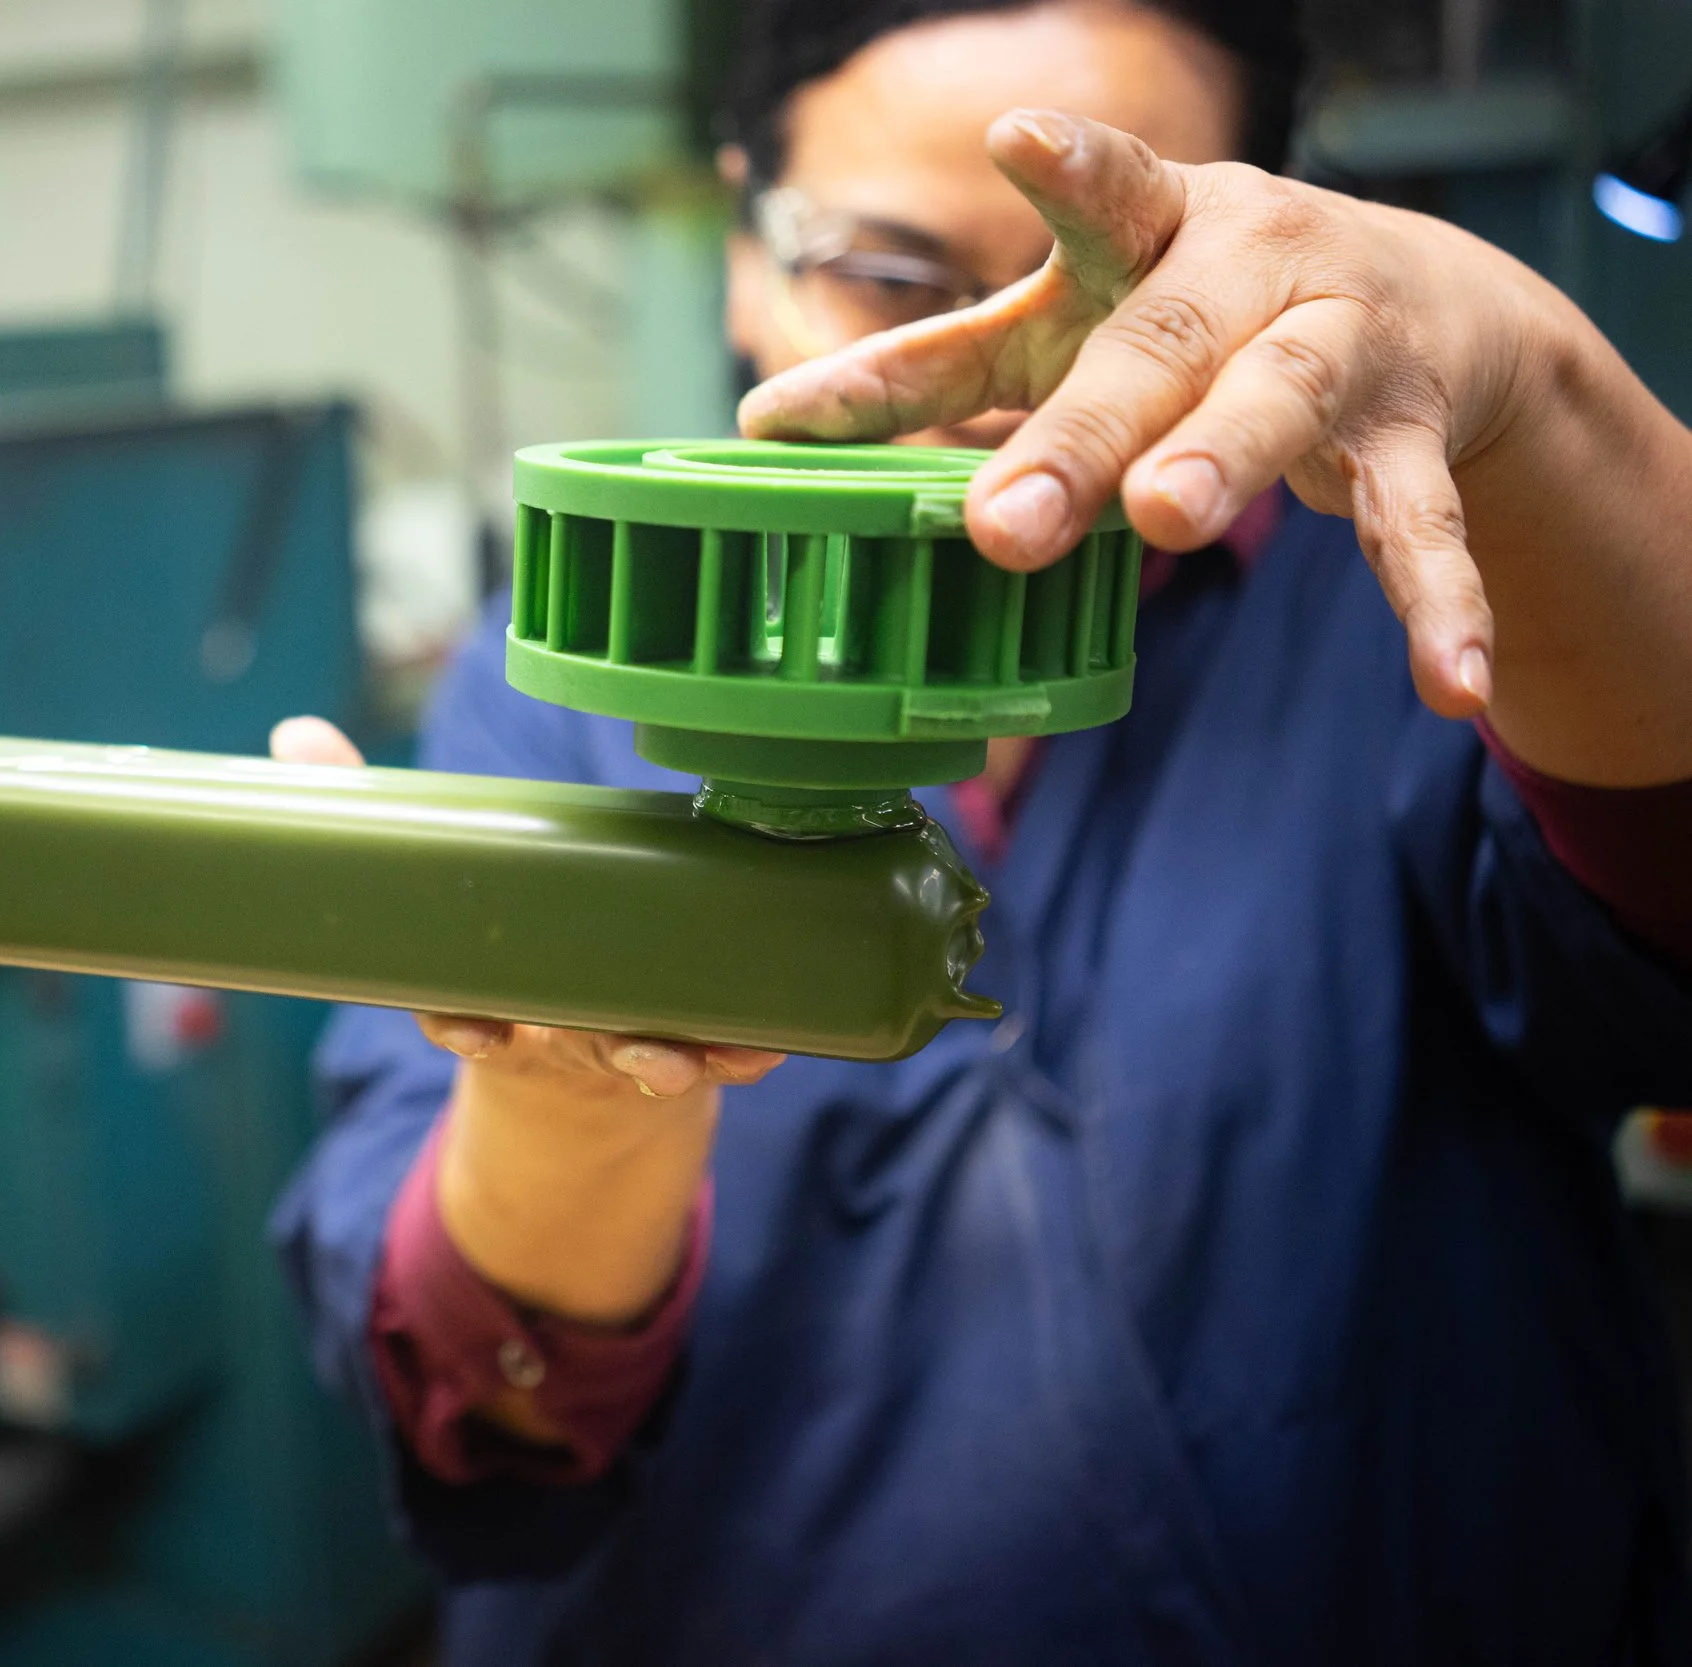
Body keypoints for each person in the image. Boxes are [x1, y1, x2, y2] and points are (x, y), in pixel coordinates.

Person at [270, 0, 1692, 1659]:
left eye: (1110, 285)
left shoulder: (1430, 617)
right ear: (745, 247)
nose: (1002, 383)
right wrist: (567, 1116)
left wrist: (1537, 391)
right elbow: (479, 1397)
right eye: (888, 271)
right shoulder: (568, 678)